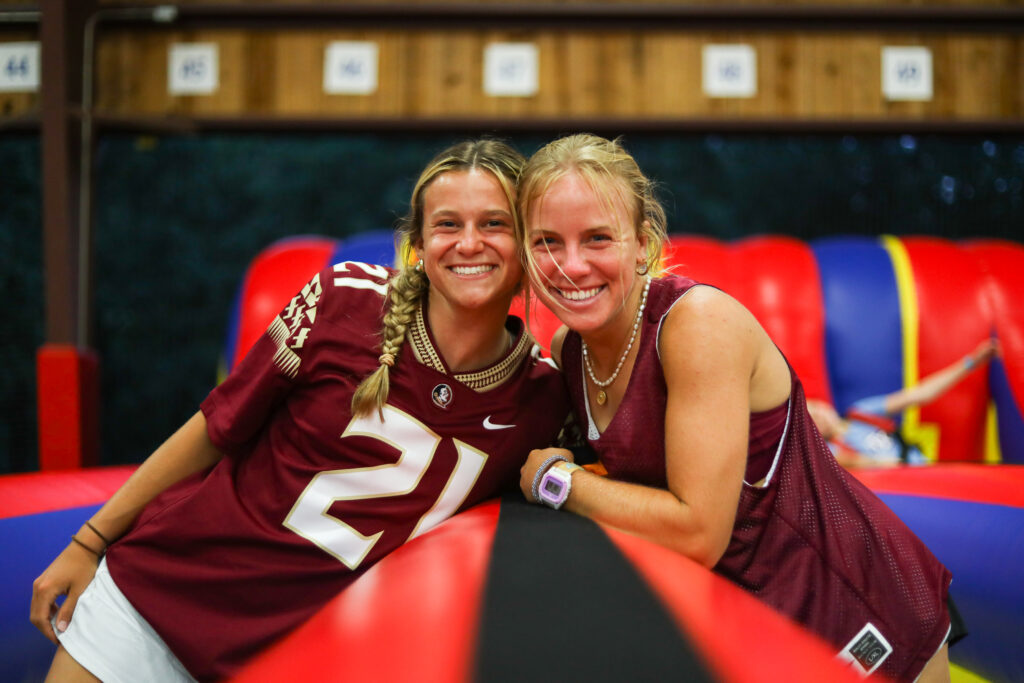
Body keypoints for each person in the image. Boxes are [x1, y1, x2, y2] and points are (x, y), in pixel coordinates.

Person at [30, 139, 571, 683]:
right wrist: (88, 541)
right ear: (419, 245)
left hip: (293, 658)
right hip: (160, 599)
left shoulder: (544, 397)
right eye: (448, 224)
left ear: (529, 244)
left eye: (495, 224)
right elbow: (215, 427)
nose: (469, 243)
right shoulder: (343, 299)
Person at [515, 133, 957, 682]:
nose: (572, 265)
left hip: (856, 606)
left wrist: (557, 482)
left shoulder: (696, 325)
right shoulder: (570, 350)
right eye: (547, 242)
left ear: (642, 243)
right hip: (753, 624)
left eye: (598, 238)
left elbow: (698, 533)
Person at [807, 339, 999, 468]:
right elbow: (854, 461)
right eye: (812, 420)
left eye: (816, 408)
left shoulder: (861, 412)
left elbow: (920, 394)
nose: (819, 417)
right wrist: (891, 465)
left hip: (925, 469)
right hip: (902, 486)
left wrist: (971, 363)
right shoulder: (830, 452)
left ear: (825, 405)